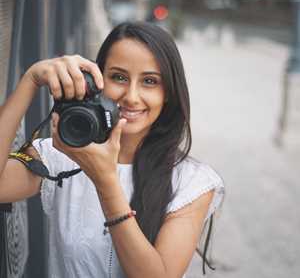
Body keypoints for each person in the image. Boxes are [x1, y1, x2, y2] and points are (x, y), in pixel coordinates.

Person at [0, 22, 224, 277]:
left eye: (150, 81)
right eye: (118, 77)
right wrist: (30, 81)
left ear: (168, 93)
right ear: (97, 81)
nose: (131, 96)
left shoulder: (192, 183)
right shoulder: (61, 155)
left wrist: (105, 180)